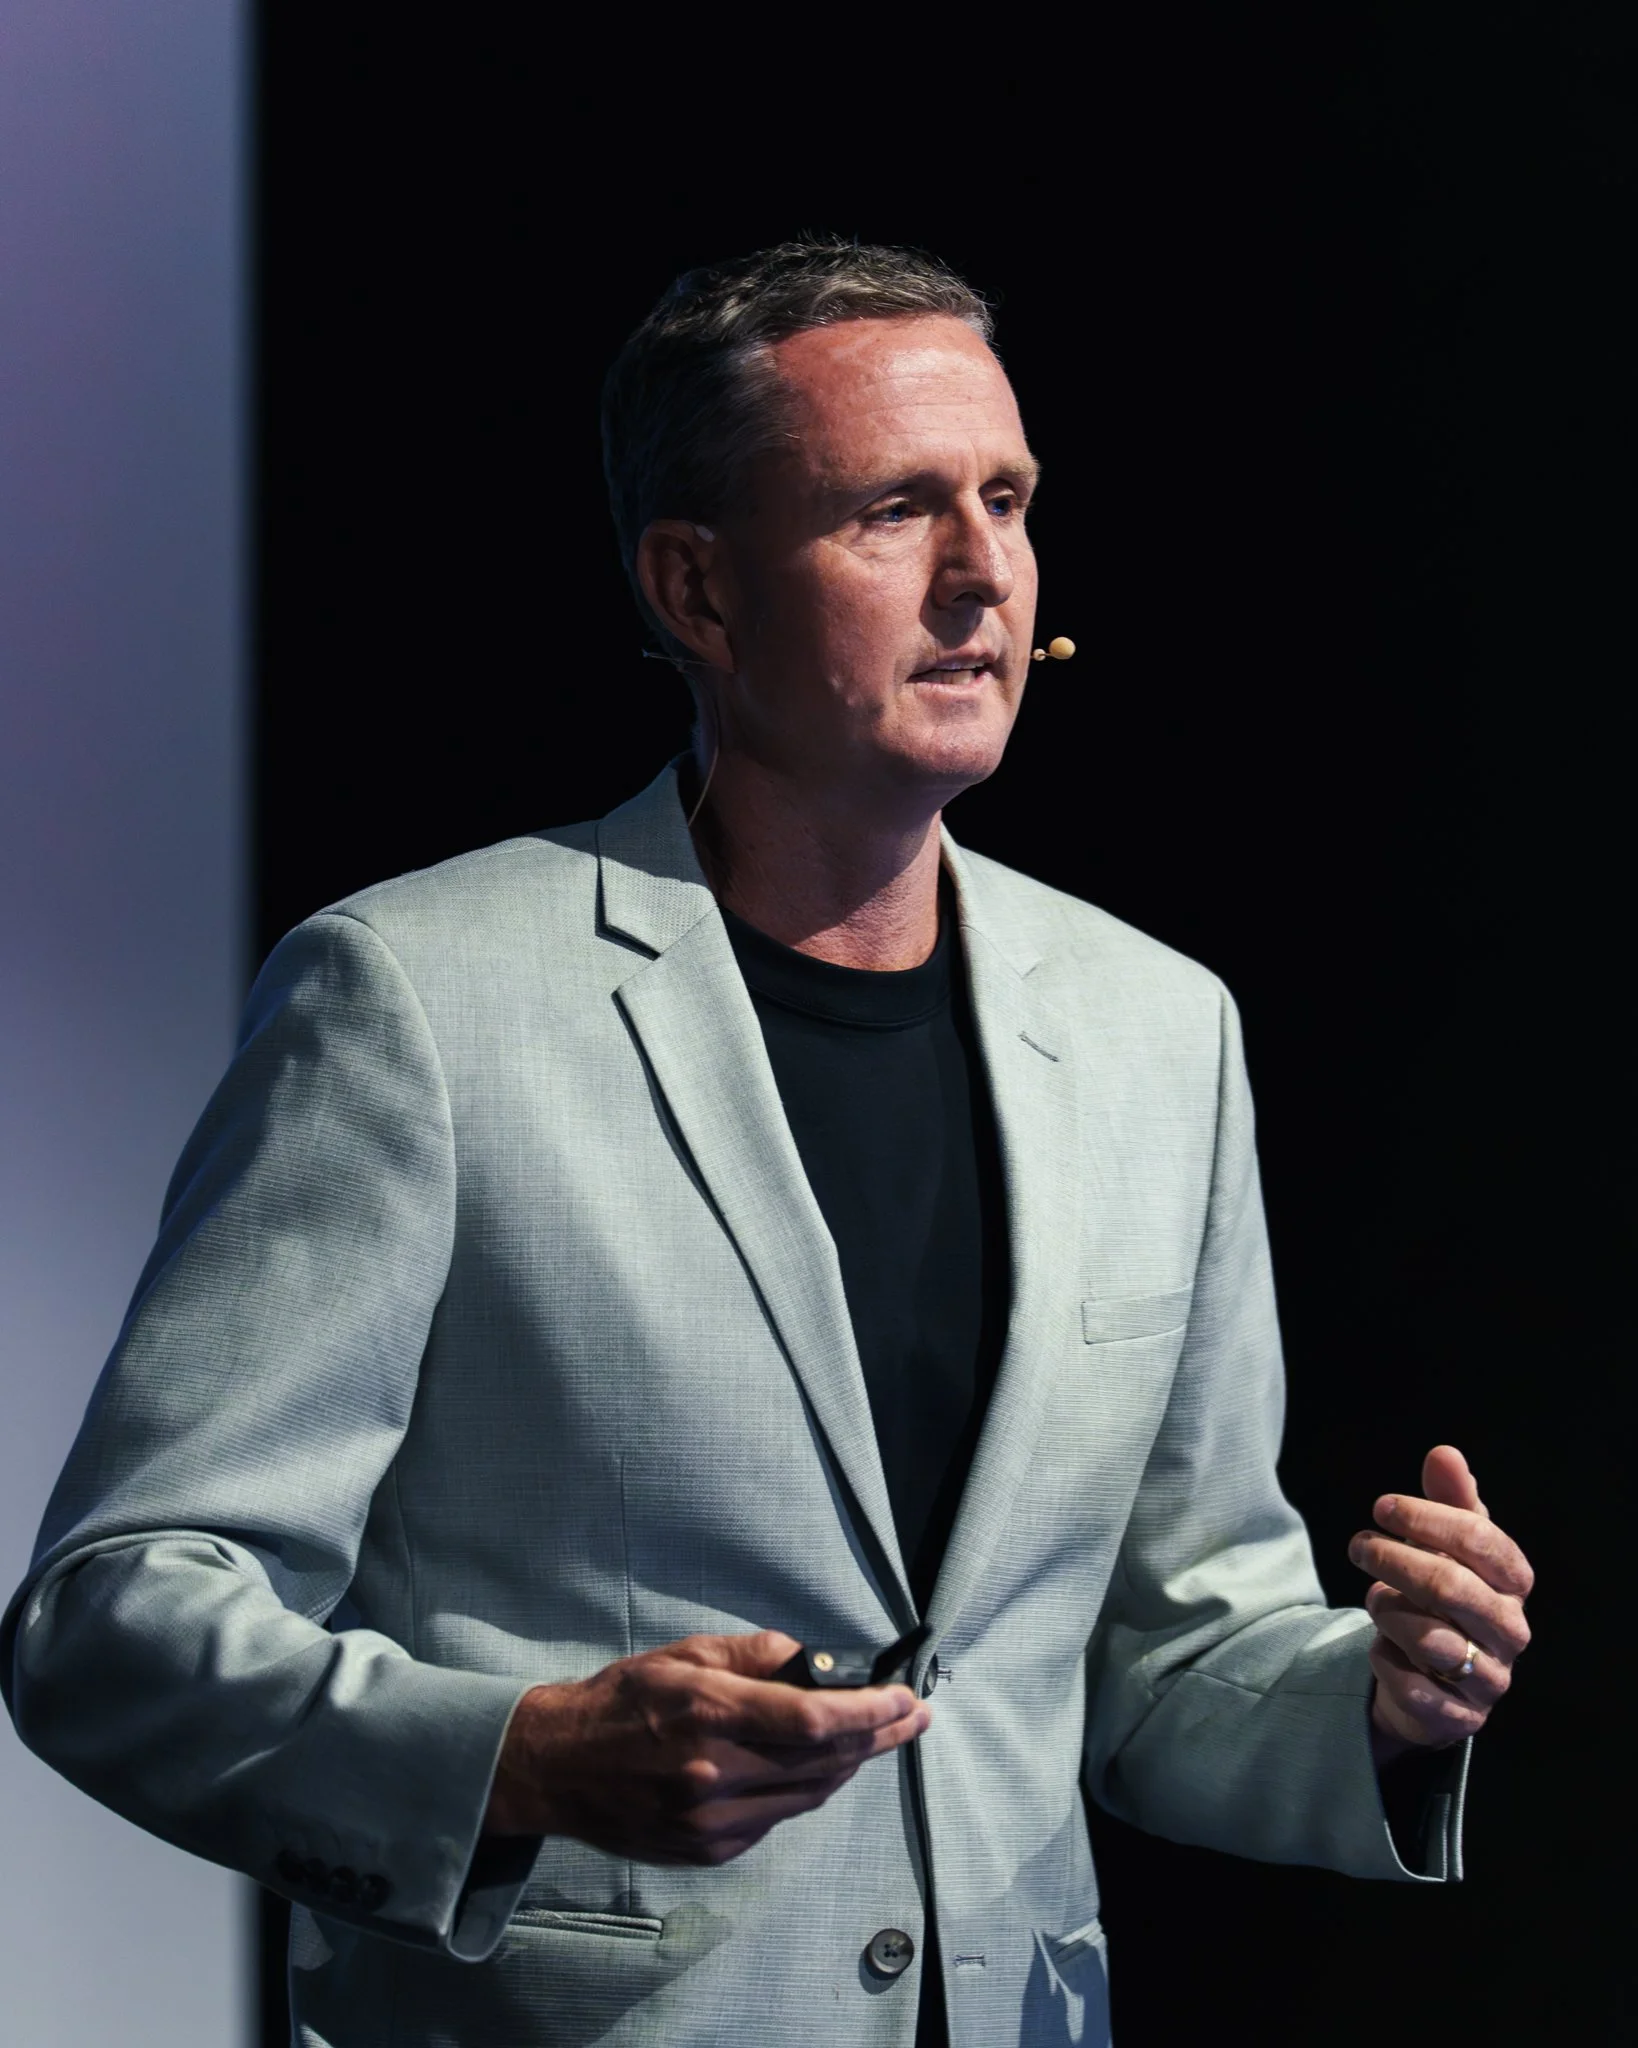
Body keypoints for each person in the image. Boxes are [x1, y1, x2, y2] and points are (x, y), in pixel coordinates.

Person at [2, 240, 1533, 2048]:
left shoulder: (1156, 1030)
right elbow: (114, 1622)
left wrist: (1375, 1701)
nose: (981, 574)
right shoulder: (416, 1000)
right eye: (894, 510)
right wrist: (523, 1759)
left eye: (1009, 499)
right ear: (698, 593)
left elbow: (1164, 1659)